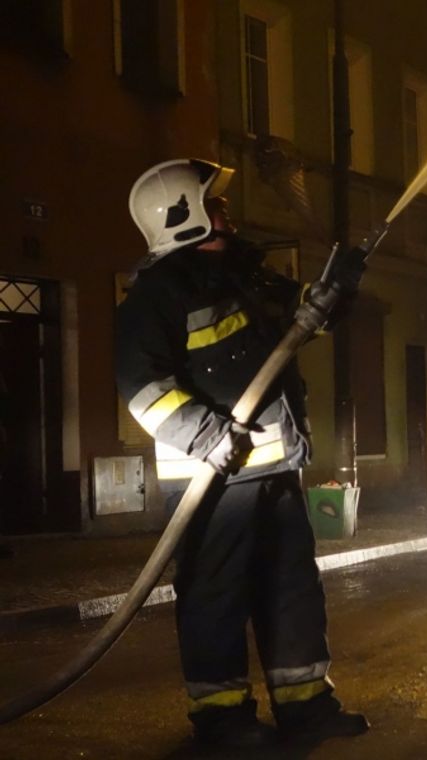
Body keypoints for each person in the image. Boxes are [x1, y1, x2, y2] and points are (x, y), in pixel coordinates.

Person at [115, 158, 368, 748]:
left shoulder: (244, 277)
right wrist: (207, 436)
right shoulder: (157, 294)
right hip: (214, 484)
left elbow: (307, 317)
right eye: (214, 204)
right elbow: (142, 386)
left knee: (292, 593)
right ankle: (223, 719)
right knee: (215, 598)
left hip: (274, 472)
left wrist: (336, 292)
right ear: (185, 214)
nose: (225, 212)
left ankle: (307, 707)